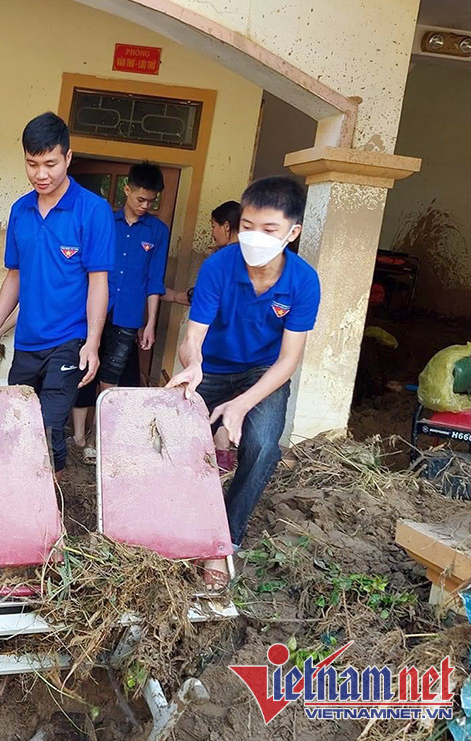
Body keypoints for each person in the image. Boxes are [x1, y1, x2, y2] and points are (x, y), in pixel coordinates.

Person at [165, 177, 321, 589]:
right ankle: (173, 524)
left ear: (292, 232)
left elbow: (288, 360)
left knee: (263, 445)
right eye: (248, 226)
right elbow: (193, 337)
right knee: (175, 437)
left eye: (269, 229)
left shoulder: (304, 281)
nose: (255, 237)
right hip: (212, 366)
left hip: (263, 371)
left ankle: (223, 541)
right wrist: (192, 363)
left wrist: (241, 404)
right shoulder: (218, 266)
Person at [0, 112, 113, 474]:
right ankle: (22, 491)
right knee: (19, 422)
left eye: (50, 164)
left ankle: (50, 498)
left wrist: (92, 343)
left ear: (68, 158)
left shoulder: (92, 210)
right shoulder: (21, 210)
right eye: (32, 164)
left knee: (48, 428)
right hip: (28, 340)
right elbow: (14, 278)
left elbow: (99, 282)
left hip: (69, 339)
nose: (41, 174)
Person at [69, 162, 170, 461]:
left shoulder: (158, 231)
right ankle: (77, 436)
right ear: (127, 190)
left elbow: (155, 281)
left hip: (128, 315)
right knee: (84, 370)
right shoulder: (105, 221)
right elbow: (84, 270)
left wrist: (150, 323)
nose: (145, 206)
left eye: (151, 201)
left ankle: (97, 439)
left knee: (110, 378)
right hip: (92, 309)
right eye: (141, 199)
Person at [162, 200, 240, 307]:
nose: (212, 233)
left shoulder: (222, 259)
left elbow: (207, 294)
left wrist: (174, 296)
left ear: (226, 226)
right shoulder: (250, 255)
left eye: (213, 226)